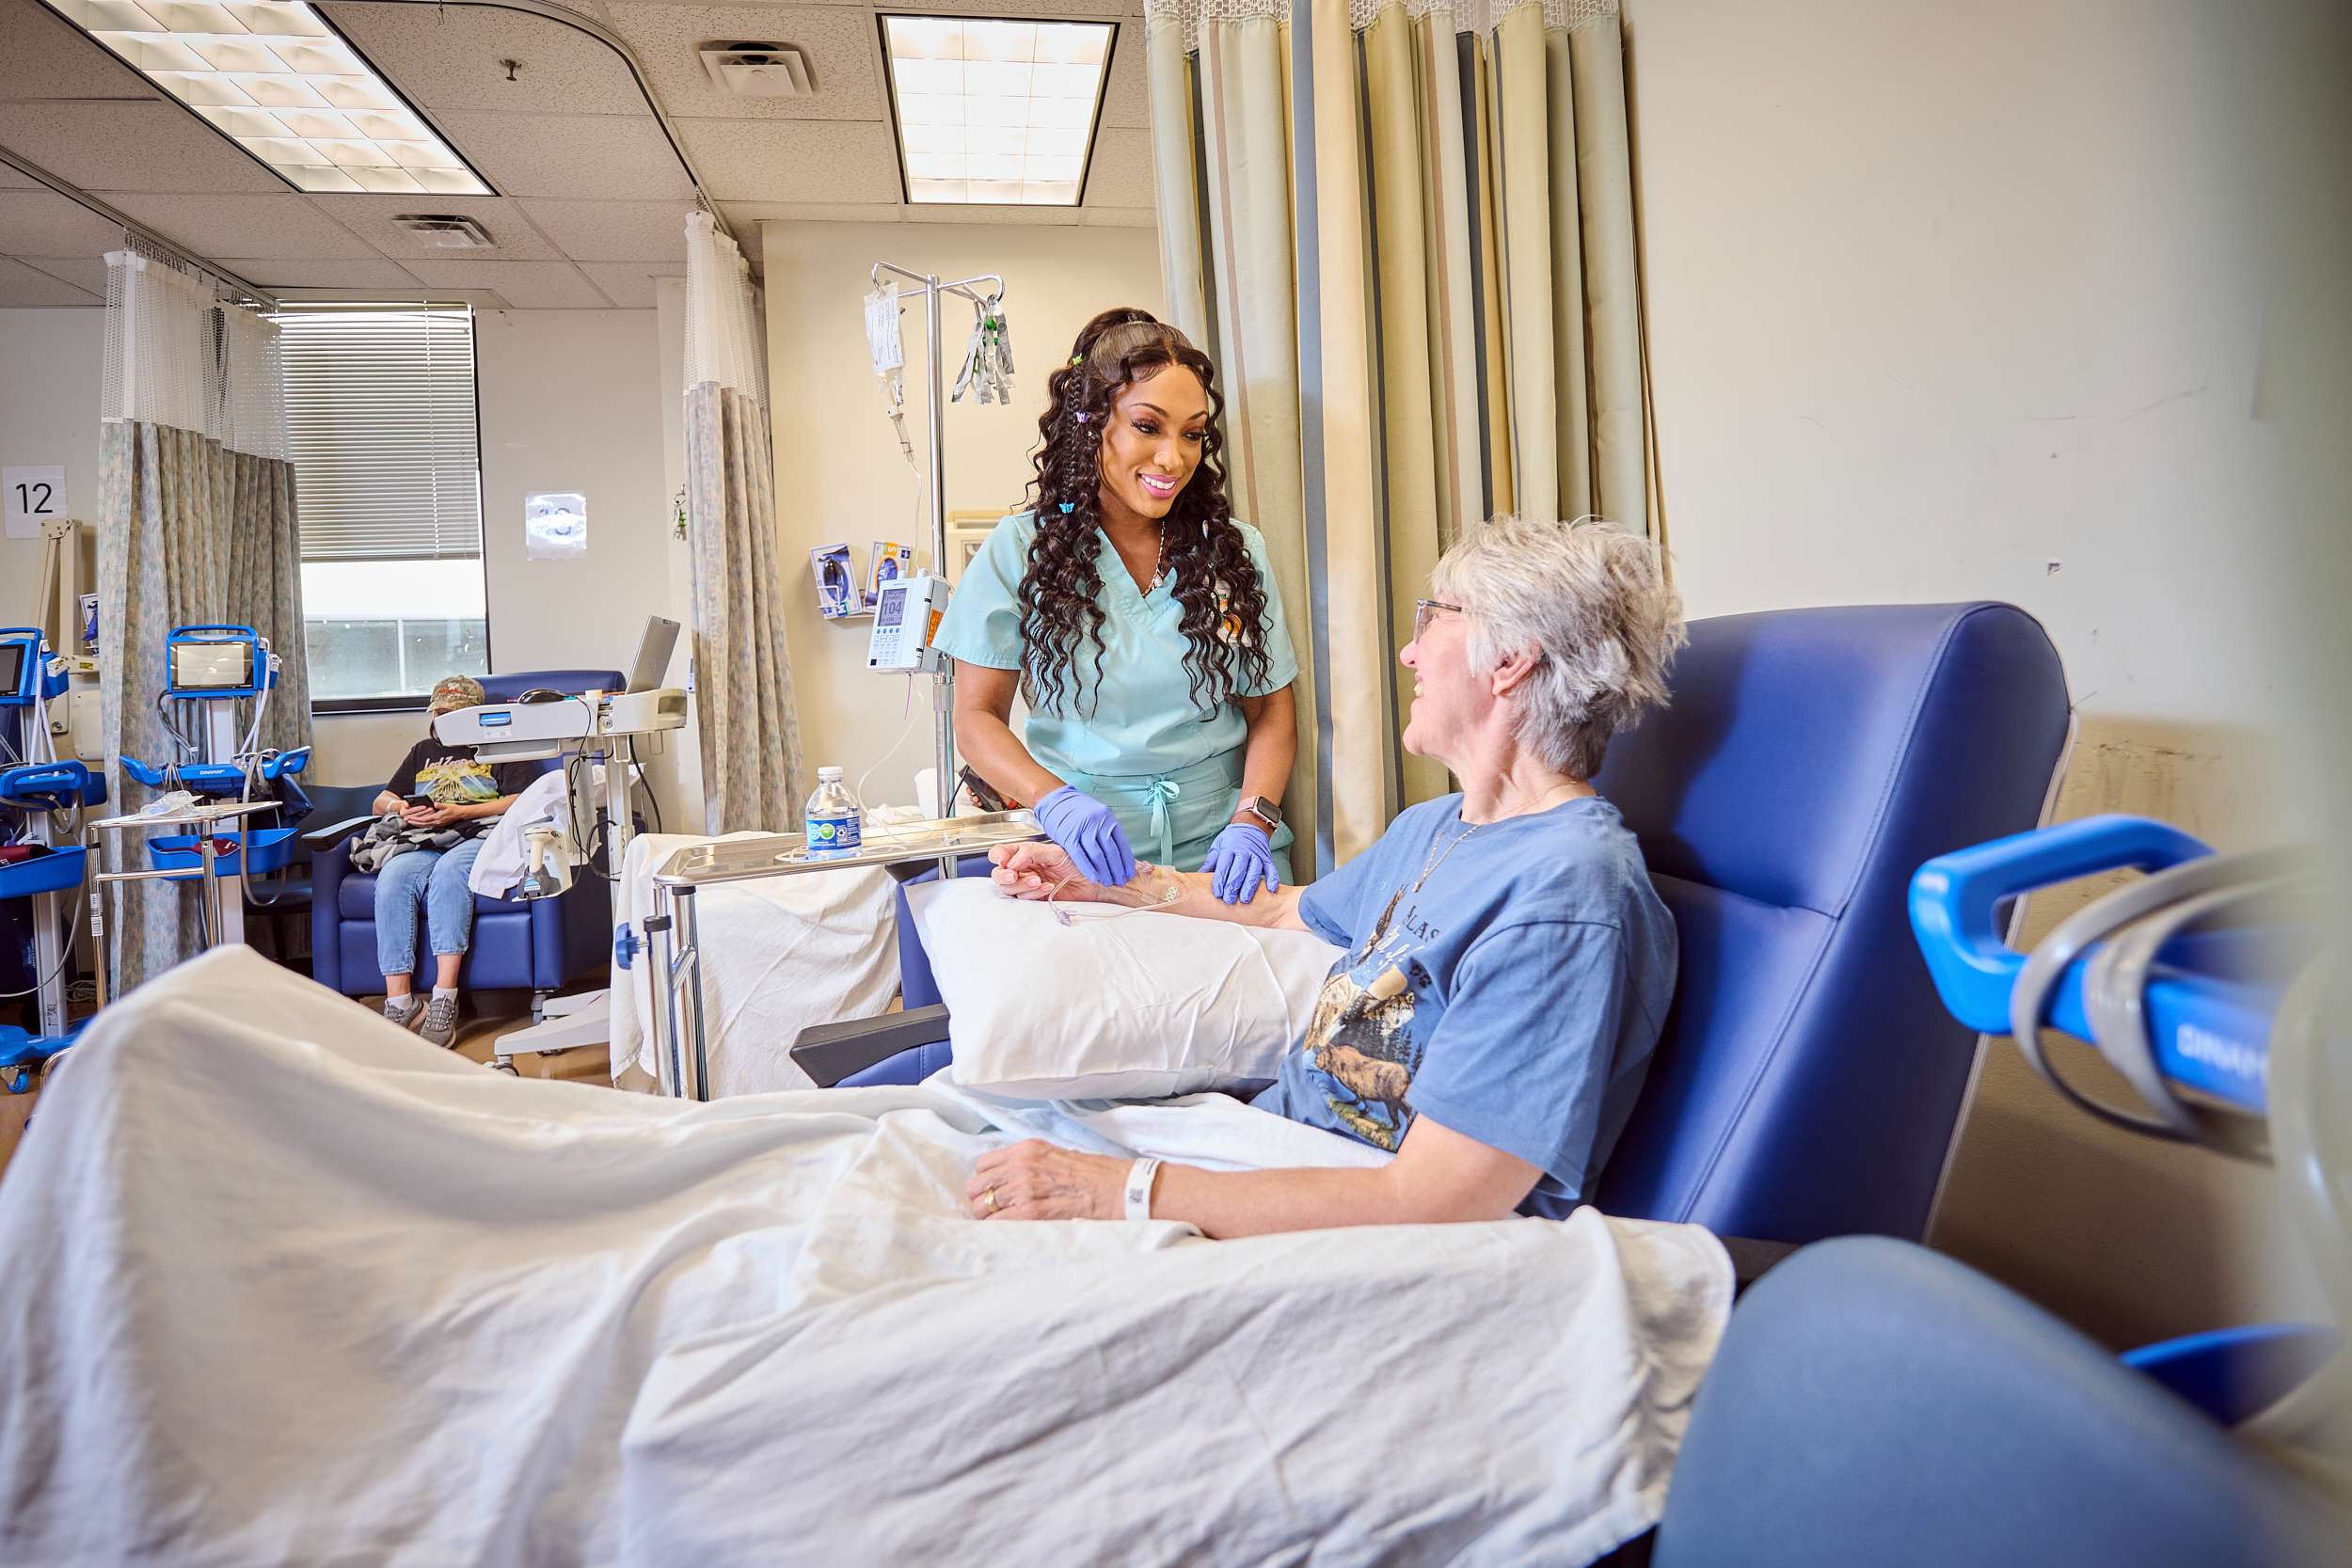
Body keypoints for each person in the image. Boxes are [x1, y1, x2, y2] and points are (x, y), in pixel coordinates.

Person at [965, 515, 1686, 1236]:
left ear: (1510, 662)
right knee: (944, 1135)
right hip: (1273, 1156)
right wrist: (1103, 880)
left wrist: (1122, 1192)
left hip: (1378, 1236)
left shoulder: (1566, 891)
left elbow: (1437, 1202)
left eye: (1435, 616)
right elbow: (1280, 910)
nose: (1409, 651)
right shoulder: (1436, 827)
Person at [932, 308, 1300, 905]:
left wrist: (1253, 821)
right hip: (1085, 853)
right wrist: (1057, 803)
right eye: (1148, 427)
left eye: (1191, 433)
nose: (1173, 459)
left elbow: (1273, 714)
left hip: (1225, 849)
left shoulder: (1232, 552)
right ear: (1091, 422)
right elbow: (976, 720)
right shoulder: (1020, 550)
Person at [369, 674, 533, 1047]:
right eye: (440, 713)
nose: (444, 719)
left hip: (478, 832)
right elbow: (381, 799)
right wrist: (403, 809)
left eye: (453, 713)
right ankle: (400, 1002)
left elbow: (522, 799)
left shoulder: (498, 746)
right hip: (427, 835)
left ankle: (445, 998)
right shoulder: (423, 750)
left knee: (448, 875)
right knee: (392, 878)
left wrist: (460, 812)